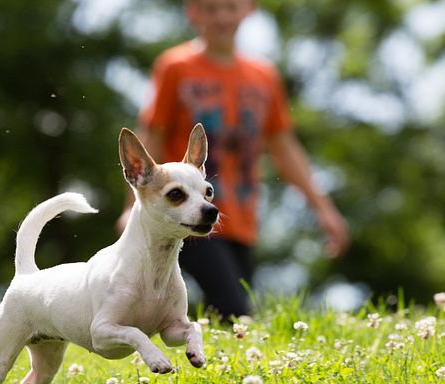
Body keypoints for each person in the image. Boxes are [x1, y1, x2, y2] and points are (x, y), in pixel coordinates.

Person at [117, 0, 349, 320]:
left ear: (248, 9)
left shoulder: (263, 76)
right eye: (211, 8)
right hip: (183, 212)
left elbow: (284, 146)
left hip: (240, 217)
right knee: (235, 311)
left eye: (230, 6)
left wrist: (323, 209)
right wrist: (132, 206)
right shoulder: (176, 67)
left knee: (233, 312)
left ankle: (211, 360)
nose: (222, 16)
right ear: (193, 12)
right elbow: (151, 136)